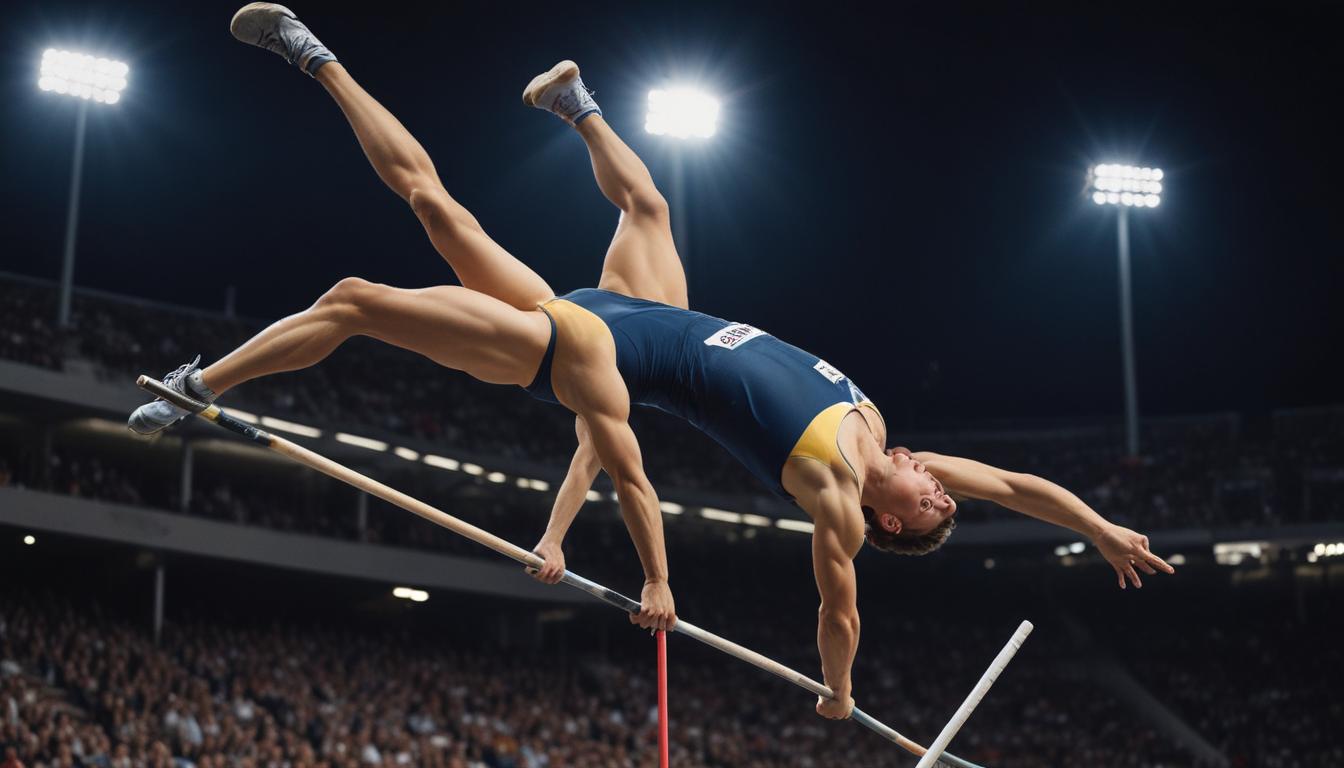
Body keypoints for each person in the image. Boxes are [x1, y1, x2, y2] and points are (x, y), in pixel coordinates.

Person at [128, 4, 1175, 720]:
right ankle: (575, 103)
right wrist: (1099, 526)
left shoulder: (838, 499)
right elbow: (1027, 489)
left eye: (934, 497)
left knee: (397, 256)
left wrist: (841, 693)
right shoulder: (886, 436)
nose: (941, 477)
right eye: (943, 485)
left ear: (894, 517)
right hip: (645, 315)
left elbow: (835, 604)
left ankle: (207, 366)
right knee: (650, 202)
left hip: (572, 342)